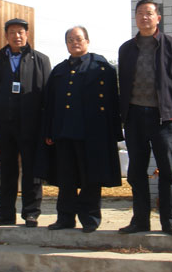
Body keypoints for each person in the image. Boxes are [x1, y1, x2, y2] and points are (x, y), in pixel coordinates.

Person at [41, 26, 122, 233]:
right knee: (65, 177)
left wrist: (114, 132)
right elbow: (49, 104)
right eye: (70, 40)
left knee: (90, 177)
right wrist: (49, 131)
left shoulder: (102, 67)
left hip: (92, 133)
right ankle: (65, 218)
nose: (74, 42)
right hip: (64, 132)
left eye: (78, 38)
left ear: (87, 41)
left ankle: (90, 218)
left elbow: (113, 102)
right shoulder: (59, 70)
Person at [118, 0, 172, 236]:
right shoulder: (126, 49)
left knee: (166, 171)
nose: (144, 17)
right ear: (135, 18)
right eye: (140, 13)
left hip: (162, 119)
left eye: (149, 13)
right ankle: (140, 221)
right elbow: (123, 83)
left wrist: (168, 108)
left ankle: (170, 221)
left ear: (158, 17)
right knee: (136, 172)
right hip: (134, 117)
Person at [0, 18, 51, 227]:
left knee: (32, 170)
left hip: (31, 125)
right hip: (4, 124)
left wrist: (46, 126)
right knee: (7, 169)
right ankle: (5, 214)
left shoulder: (40, 60)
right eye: (12, 32)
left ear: (27, 34)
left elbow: (48, 96)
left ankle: (31, 213)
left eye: (20, 32)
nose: (17, 36)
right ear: (6, 35)